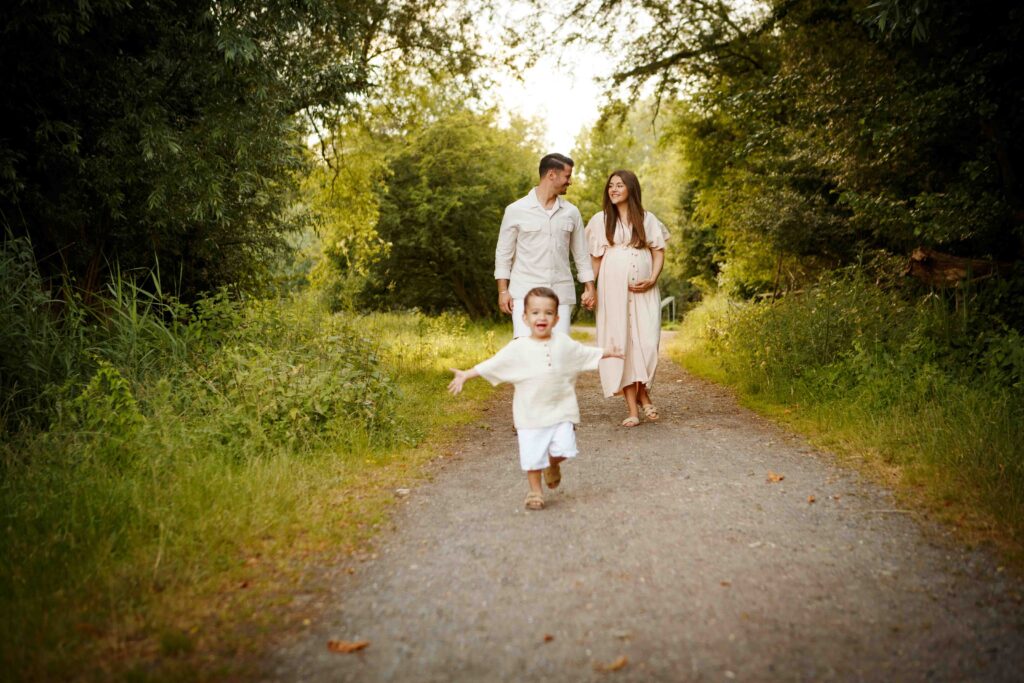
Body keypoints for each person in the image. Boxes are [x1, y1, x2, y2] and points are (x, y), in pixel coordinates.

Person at [448, 287, 621, 510]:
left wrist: (608, 352)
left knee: (564, 449)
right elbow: (495, 363)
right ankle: (535, 491)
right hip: (529, 414)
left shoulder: (563, 343)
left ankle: (552, 464)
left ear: (556, 318)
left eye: (548, 313)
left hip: (561, 410)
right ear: (525, 318)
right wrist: (467, 374)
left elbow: (583, 353)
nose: (542, 317)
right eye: (536, 312)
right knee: (532, 455)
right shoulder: (518, 347)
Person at [584, 170, 669, 427]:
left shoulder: (646, 219)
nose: (614, 189)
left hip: (644, 291)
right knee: (621, 343)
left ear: (631, 188)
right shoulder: (600, 220)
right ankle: (634, 408)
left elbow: (658, 251)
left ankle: (644, 395)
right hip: (613, 289)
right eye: (611, 186)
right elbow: (595, 259)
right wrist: (590, 289)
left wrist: (653, 277)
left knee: (646, 342)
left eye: (619, 185)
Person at [494, 153, 596, 338]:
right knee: (526, 352)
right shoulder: (515, 210)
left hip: (561, 296)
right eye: (567, 176)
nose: (570, 181)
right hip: (524, 294)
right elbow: (503, 254)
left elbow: (581, 254)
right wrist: (503, 291)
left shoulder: (571, 213)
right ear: (551, 175)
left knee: (558, 353)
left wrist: (590, 287)